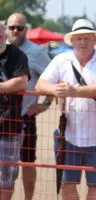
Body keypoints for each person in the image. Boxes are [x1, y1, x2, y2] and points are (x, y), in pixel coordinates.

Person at [35, 18, 96, 200]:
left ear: (94, 40)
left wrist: (74, 91)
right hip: (69, 135)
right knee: (66, 185)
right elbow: (40, 85)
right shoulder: (60, 60)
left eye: (87, 38)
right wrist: (55, 89)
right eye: (79, 38)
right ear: (72, 40)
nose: (83, 42)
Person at [5, 12, 51, 200]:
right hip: (3, 117)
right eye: (12, 27)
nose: (16, 31)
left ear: (27, 29)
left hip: (25, 116)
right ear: (6, 28)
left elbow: (53, 78)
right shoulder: (2, 49)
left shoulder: (36, 52)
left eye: (20, 27)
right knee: (4, 164)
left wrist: (44, 105)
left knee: (27, 162)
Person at [0, 23, 30, 199]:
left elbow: (21, 82)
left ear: (4, 35)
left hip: (9, 127)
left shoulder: (17, 55)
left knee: (6, 180)